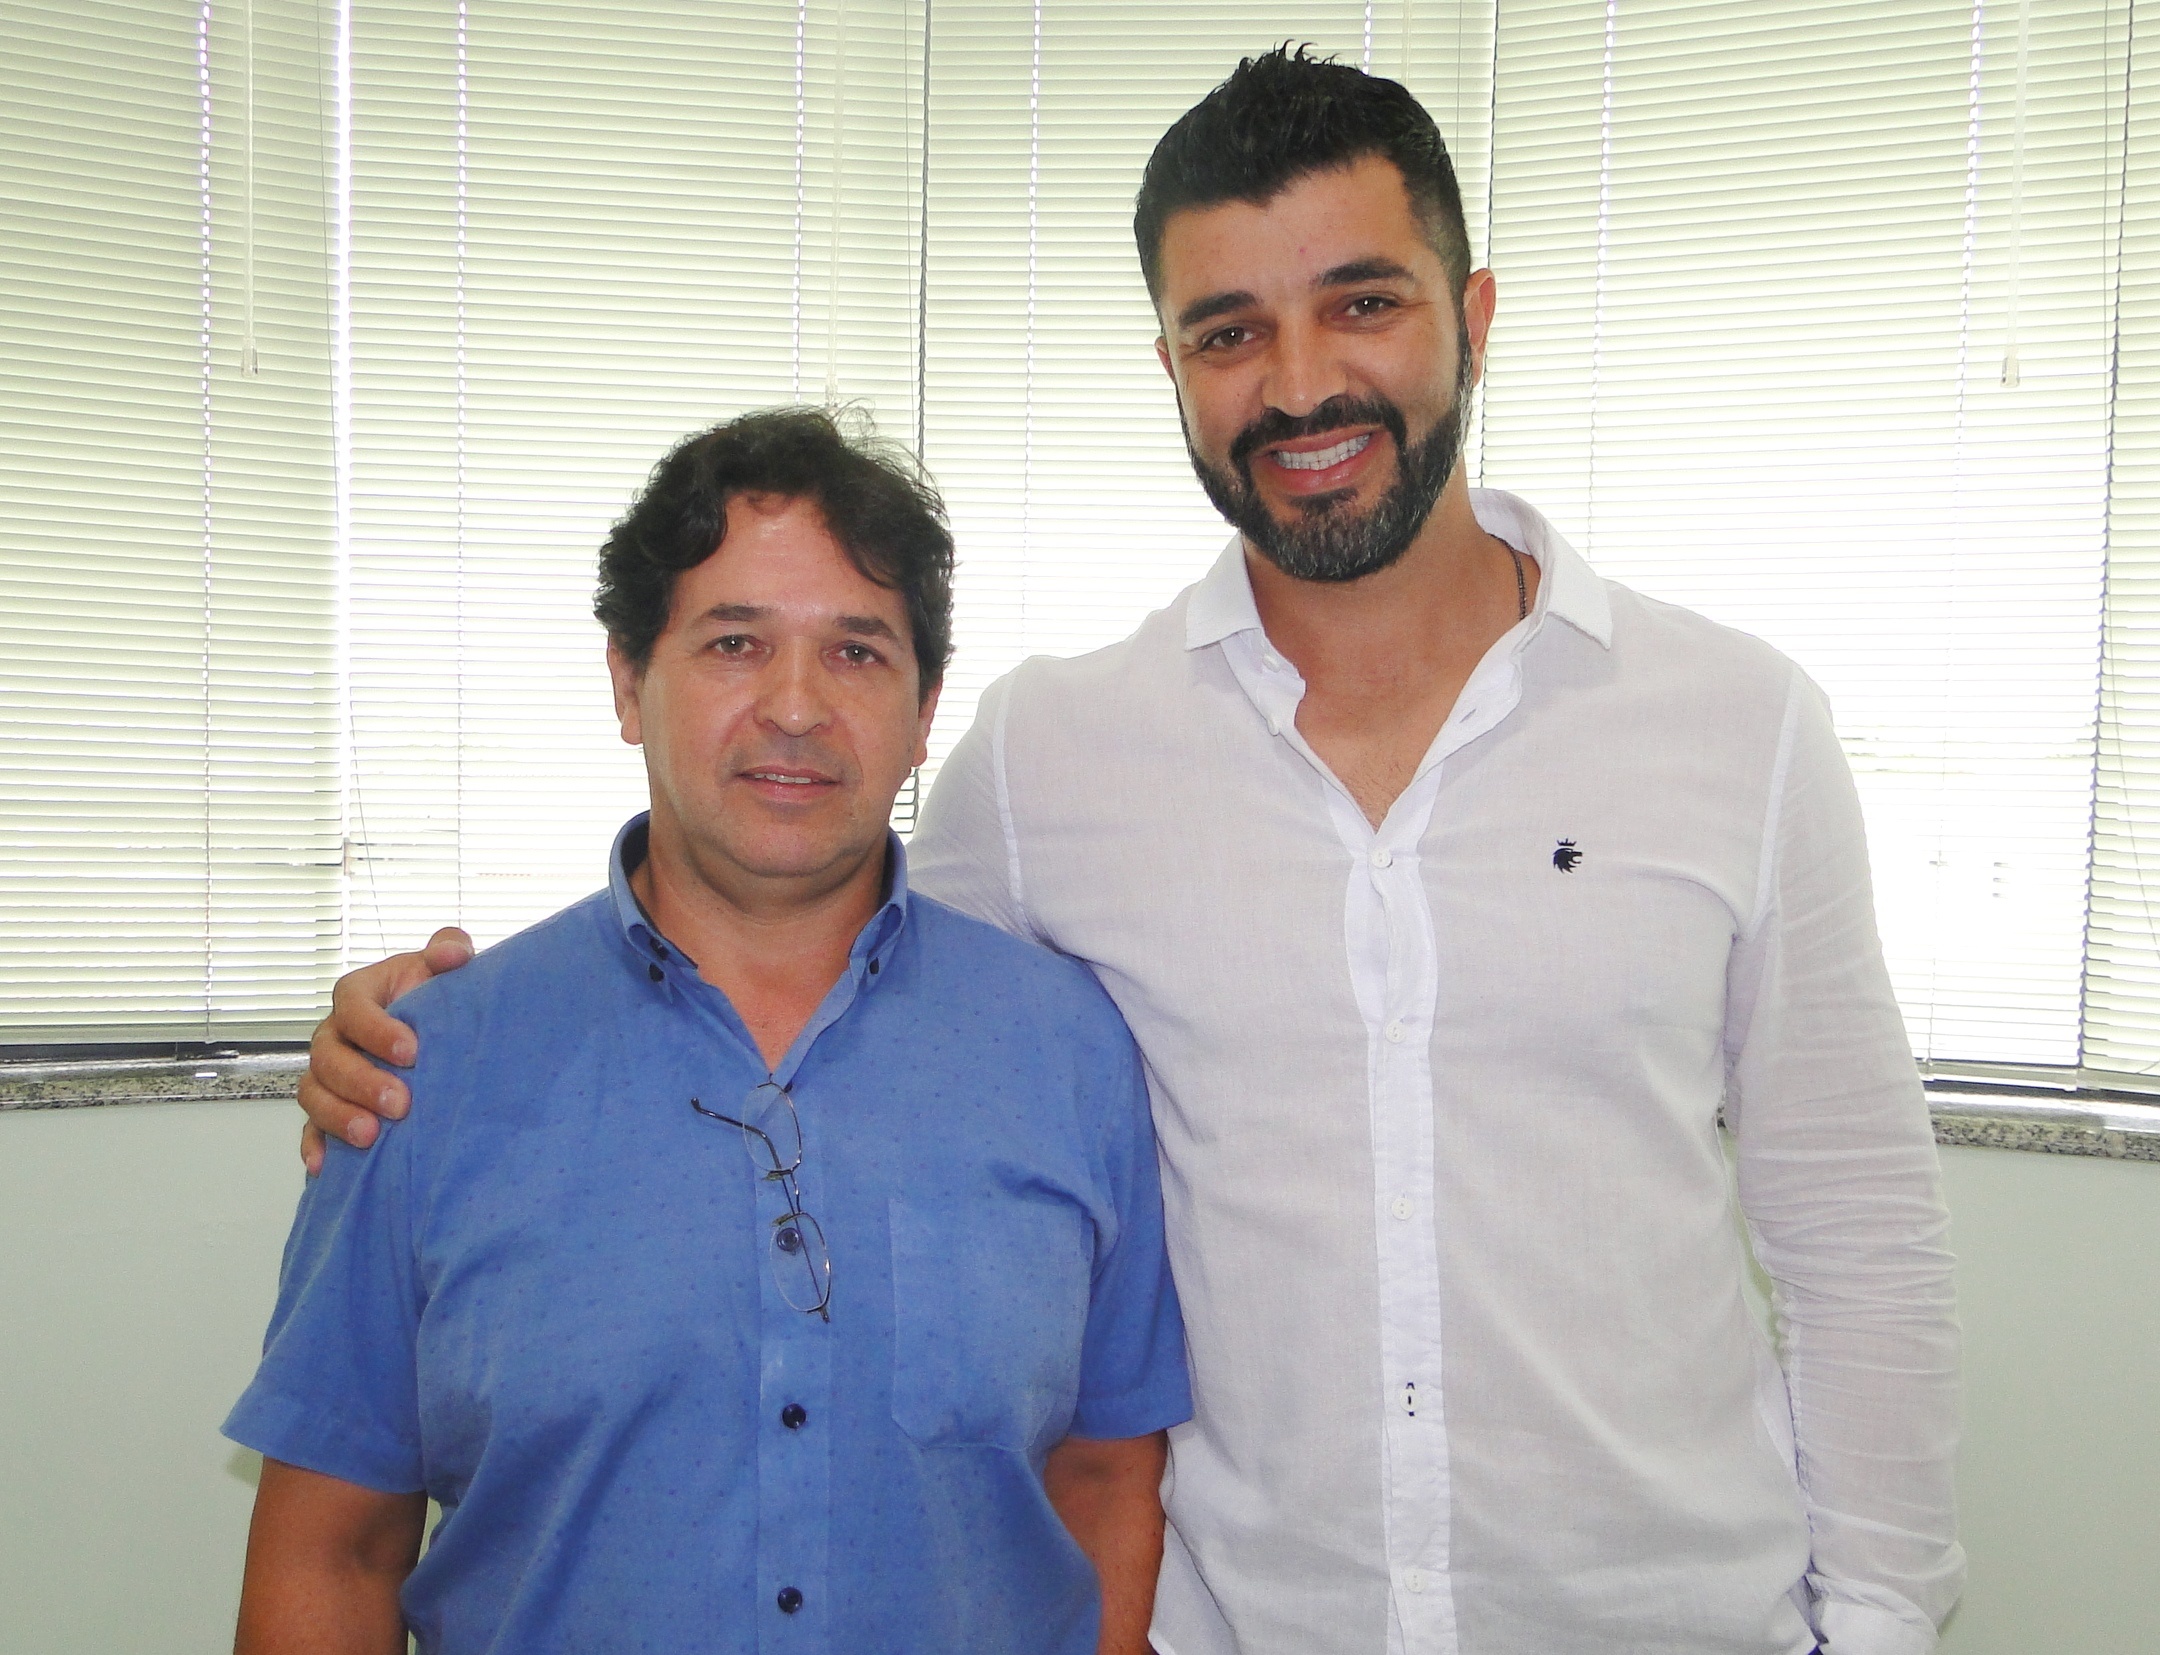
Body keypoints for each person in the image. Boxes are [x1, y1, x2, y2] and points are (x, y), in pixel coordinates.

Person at [294, 49, 1962, 1655]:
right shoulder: (1047, 755)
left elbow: (1858, 1238)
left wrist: (1877, 1630)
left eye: (1362, 302)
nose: (1301, 383)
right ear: (1169, 367)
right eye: (1230, 330)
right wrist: (433, 1051)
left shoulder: (1739, 725)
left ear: (1475, 315)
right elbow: (831, 1018)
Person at [227, 408, 1191, 1654]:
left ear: (924, 708)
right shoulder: (424, 1069)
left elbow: (1108, 1483)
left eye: (856, 652)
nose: (794, 707)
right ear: (629, 681)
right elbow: (333, 1546)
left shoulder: (1068, 1051)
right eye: (735, 642)